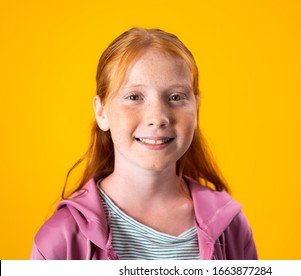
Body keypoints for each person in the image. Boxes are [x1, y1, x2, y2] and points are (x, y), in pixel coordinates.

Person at [30, 27, 258, 260]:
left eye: (176, 97)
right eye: (134, 97)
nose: (158, 117)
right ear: (101, 112)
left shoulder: (231, 227)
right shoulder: (60, 239)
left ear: (196, 108)